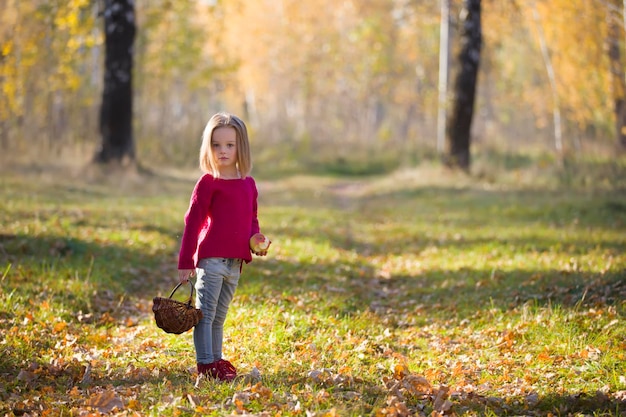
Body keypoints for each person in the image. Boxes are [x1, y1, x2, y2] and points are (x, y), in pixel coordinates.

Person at [177, 111, 270, 381]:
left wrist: (256, 238)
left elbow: (251, 220)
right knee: (205, 315)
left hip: (234, 264)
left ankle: (216, 360)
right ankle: (206, 365)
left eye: (230, 145)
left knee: (219, 317)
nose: (223, 151)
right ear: (209, 147)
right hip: (211, 261)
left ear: (241, 147)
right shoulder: (208, 184)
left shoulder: (248, 185)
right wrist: (186, 261)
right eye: (216, 145)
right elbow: (192, 223)